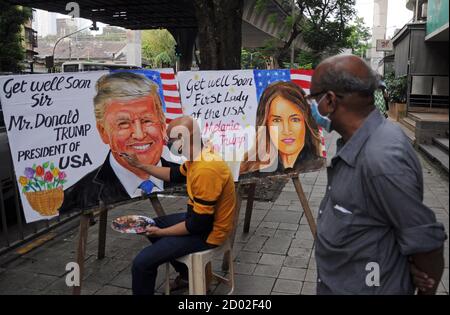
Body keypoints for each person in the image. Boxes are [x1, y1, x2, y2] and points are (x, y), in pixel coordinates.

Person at [307, 54, 446, 295]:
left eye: (313, 98)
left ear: (329, 100)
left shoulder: (380, 160)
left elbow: (426, 243)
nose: (312, 107)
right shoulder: (361, 142)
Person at [123, 116, 236, 295]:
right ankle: (186, 276)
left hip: (209, 232)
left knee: (142, 263)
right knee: (152, 224)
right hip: (201, 220)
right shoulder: (198, 157)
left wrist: (162, 233)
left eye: (171, 140)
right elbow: (174, 174)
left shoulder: (205, 169)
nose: (167, 143)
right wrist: (140, 165)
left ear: (183, 140)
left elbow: (198, 225)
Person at [61, 72, 180, 212]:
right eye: (124, 124)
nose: (139, 135)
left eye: (147, 120)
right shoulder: (75, 199)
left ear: (161, 125)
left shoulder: (188, 178)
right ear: (103, 132)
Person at [240, 81, 323, 175]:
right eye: (277, 120)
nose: (286, 130)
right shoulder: (251, 169)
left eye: (295, 119)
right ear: (266, 124)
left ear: (306, 123)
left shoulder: (318, 164)